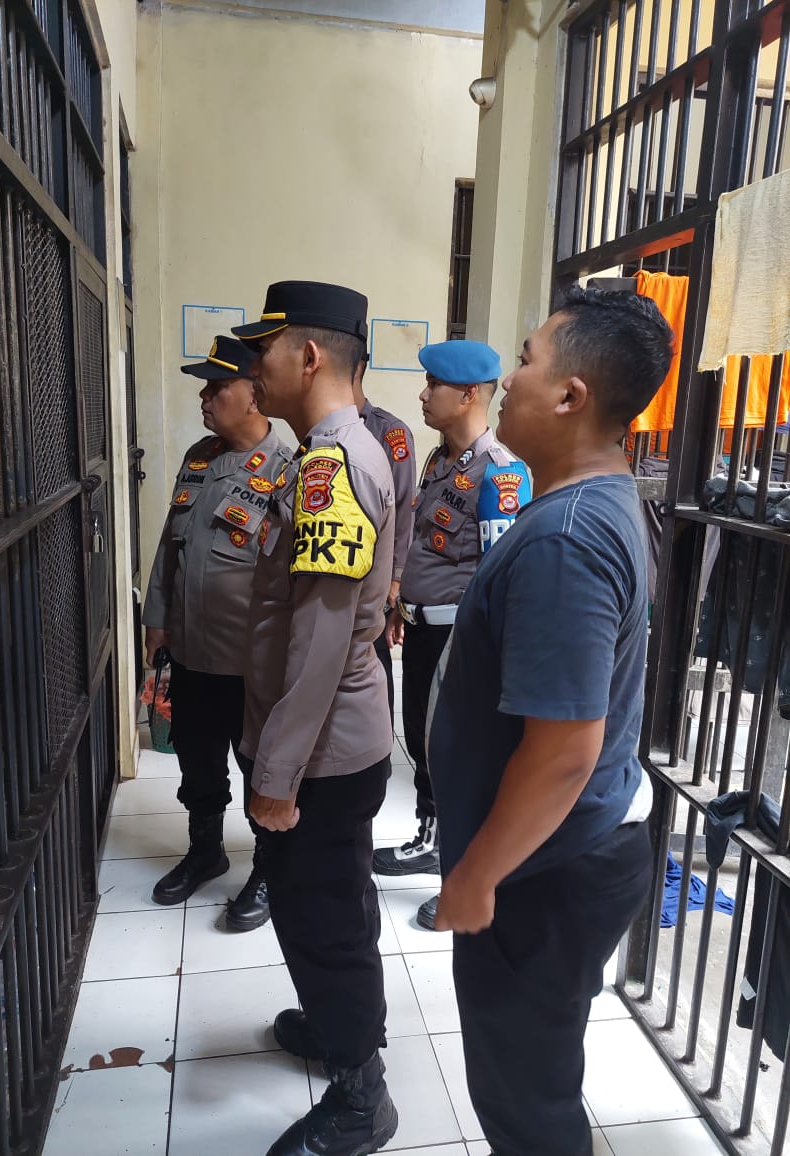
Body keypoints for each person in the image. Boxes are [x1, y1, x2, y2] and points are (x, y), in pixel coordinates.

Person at [428, 287, 673, 1156]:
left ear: (570, 395)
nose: (509, 378)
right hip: (569, 850)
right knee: (535, 1074)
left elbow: (565, 750)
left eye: (526, 360)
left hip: (545, 865)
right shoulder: (595, 501)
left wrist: (476, 875)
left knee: (525, 1104)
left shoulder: (566, 535)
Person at [232, 281, 398, 1156]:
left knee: (321, 916)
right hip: (320, 743)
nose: (253, 368)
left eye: (264, 349)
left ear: (307, 356)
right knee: (328, 901)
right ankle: (345, 1026)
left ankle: (361, 1096)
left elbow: (320, 642)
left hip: (321, 751)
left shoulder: (336, 465)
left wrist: (275, 774)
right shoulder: (324, 454)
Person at [373, 340, 530, 929]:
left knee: (458, 757)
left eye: (433, 385)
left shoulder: (500, 472)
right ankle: (431, 838)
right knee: (423, 743)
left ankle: (461, 874)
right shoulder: (441, 462)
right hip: (421, 631)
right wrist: (402, 605)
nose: (422, 394)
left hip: (458, 643)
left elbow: (498, 575)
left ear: (467, 395)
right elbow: (422, 545)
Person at [143, 336, 291, 931]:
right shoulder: (198, 458)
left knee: (257, 766)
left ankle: (269, 866)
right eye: (204, 388)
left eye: (217, 387)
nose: (205, 398)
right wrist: (156, 618)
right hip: (191, 651)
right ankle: (205, 850)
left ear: (255, 394)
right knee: (197, 761)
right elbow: (169, 547)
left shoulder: (289, 470)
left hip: (250, 663)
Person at [353, 350, 416, 726]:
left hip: (372, 585)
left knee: (373, 673)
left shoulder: (389, 433)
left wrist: (395, 580)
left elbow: (405, 511)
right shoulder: (314, 433)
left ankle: (378, 746)